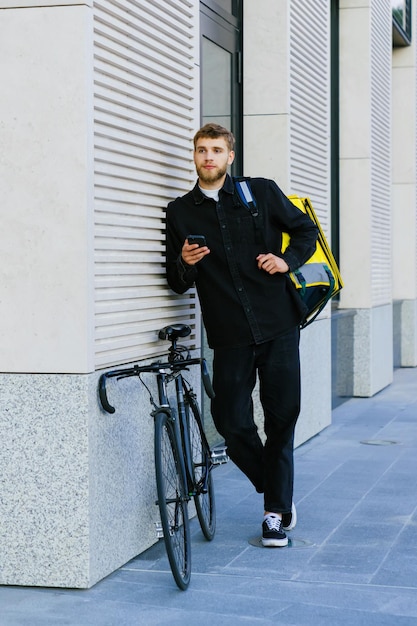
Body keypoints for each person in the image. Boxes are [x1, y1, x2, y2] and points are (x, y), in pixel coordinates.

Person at [165, 123, 318, 547]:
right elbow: (177, 282)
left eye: (216, 150)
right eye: (201, 150)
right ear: (193, 157)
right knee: (230, 422)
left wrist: (287, 261)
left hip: (279, 325)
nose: (208, 156)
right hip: (229, 334)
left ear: (230, 156)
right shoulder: (179, 213)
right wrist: (185, 261)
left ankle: (273, 515)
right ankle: (277, 490)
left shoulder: (261, 192)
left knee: (281, 418)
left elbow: (307, 231)